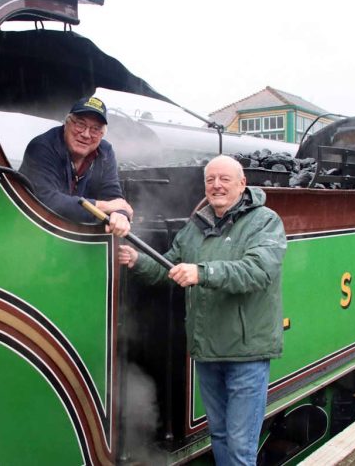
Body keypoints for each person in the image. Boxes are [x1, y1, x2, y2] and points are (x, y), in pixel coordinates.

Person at [118, 155, 286, 466]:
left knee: (239, 446)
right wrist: (137, 260)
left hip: (246, 353)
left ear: (242, 184)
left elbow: (259, 271)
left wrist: (202, 272)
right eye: (210, 180)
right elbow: (167, 266)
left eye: (224, 179)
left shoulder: (265, 221)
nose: (217, 185)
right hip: (208, 351)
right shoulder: (195, 227)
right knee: (220, 435)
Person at [20, 96, 132, 237]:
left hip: (77, 239)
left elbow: (114, 198)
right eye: (80, 124)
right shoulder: (42, 147)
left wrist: (120, 215)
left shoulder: (105, 152)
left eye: (95, 129)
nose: (86, 134)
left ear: (102, 134)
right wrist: (106, 207)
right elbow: (47, 201)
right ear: (66, 123)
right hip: (32, 232)